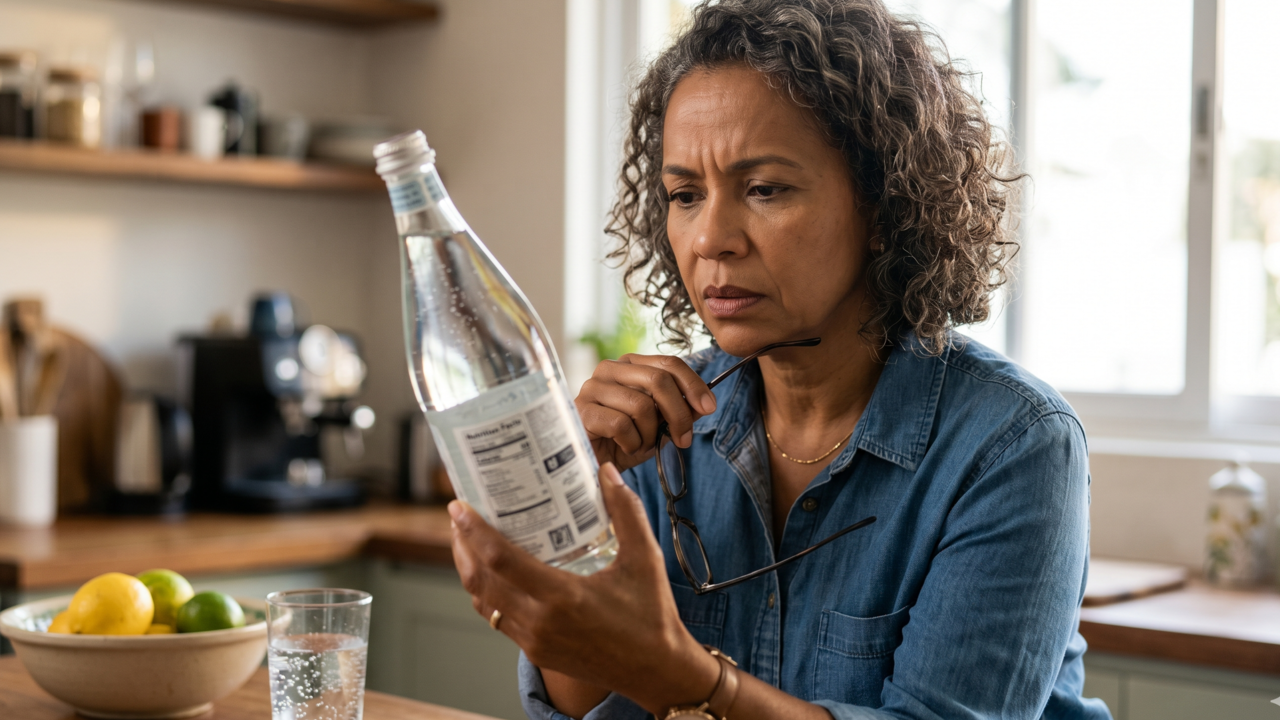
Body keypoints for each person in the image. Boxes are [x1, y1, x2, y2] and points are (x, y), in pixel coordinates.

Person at [446, 0, 1112, 718]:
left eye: (764, 189)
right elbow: (583, 705)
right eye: (684, 195)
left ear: (885, 208)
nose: (711, 239)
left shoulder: (1013, 445)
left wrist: (682, 674)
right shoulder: (653, 435)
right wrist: (570, 527)